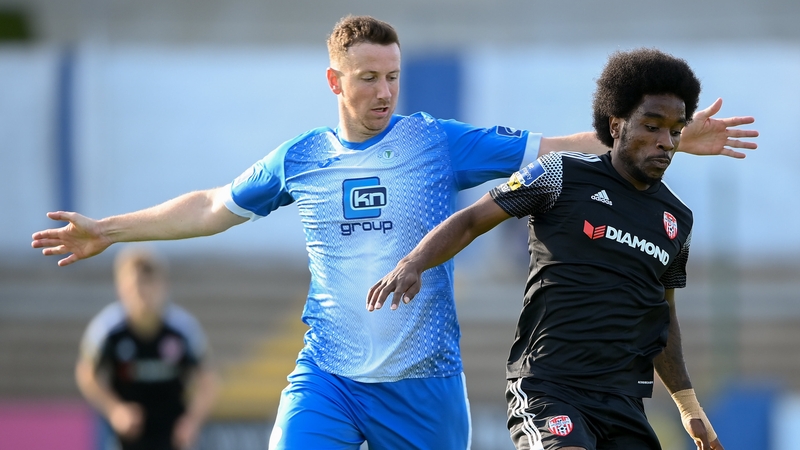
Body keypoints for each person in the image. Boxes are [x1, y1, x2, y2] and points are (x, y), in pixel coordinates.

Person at [32, 15, 755, 450]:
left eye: (393, 76)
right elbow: (213, 205)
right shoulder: (302, 158)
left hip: (423, 383)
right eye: (368, 77)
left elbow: (553, 148)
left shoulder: (436, 141)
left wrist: (664, 139)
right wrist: (112, 230)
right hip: (329, 376)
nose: (384, 91)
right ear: (334, 81)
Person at [367, 48, 728, 450]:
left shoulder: (677, 218)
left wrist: (688, 405)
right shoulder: (561, 173)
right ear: (616, 124)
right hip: (550, 386)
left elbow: (663, 314)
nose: (665, 142)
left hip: (624, 399)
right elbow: (471, 220)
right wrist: (414, 261)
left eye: (676, 131)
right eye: (652, 126)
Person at [75, 246, 218, 450]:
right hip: (127, 439)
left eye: (150, 284)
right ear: (121, 288)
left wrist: (191, 422)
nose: (143, 292)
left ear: (164, 286)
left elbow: (208, 380)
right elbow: (86, 374)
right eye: (136, 285)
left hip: (173, 439)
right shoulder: (108, 330)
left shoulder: (183, 329)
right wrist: (115, 410)